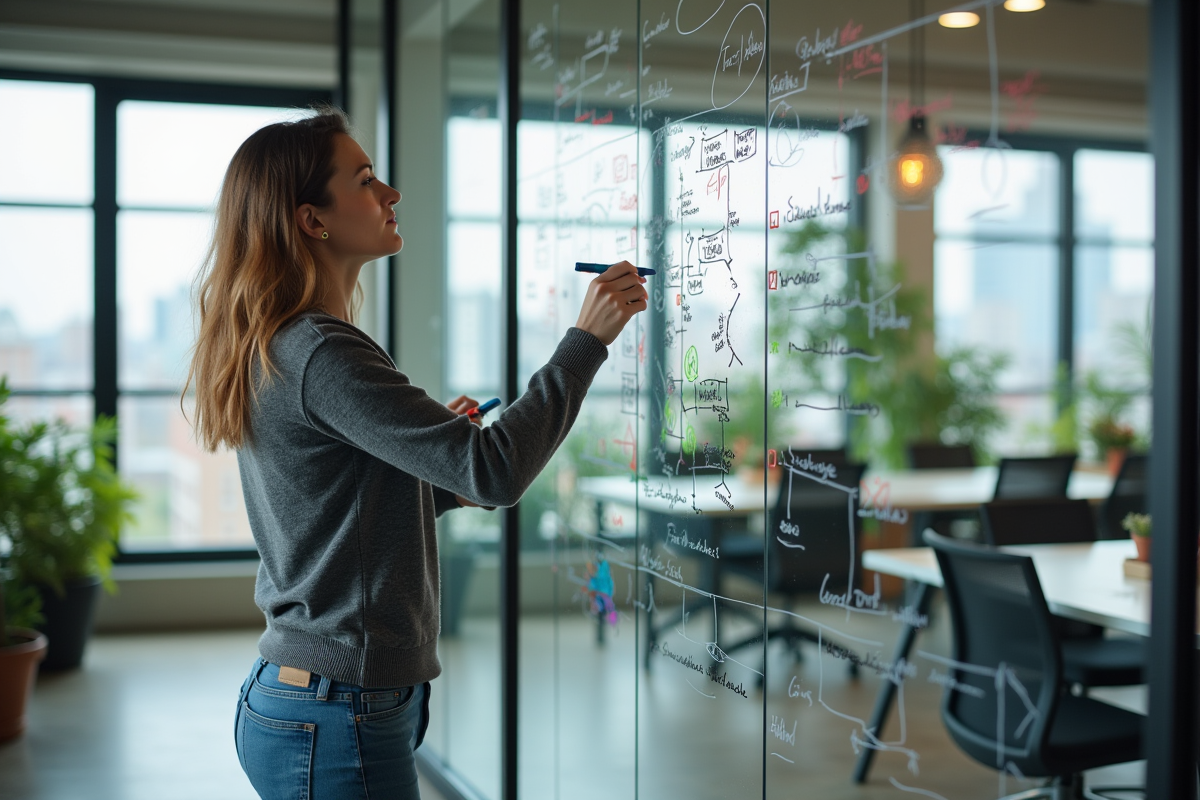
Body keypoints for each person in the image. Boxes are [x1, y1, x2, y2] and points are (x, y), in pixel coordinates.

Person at [184, 108, 647, 800]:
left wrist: (436, 471)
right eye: (367, 179)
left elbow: (347, 512)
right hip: (337, 703)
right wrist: (587, 340)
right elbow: (495, 471)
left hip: (323, 695)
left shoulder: (294, 343)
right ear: (313, 220)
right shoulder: (320, 351)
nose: (391, 194)